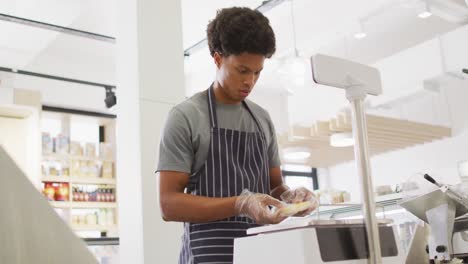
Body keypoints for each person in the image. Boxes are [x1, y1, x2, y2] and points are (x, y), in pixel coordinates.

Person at [157, 7, 317, 264]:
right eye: (242, 70)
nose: (250, 82)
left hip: (261, 255)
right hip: (207, 256)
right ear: (218, 59)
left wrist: (293, 199)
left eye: (257, 72)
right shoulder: (186, 116)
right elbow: (168, 204)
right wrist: (240, 204)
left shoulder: (262, 119)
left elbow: (275, 187)